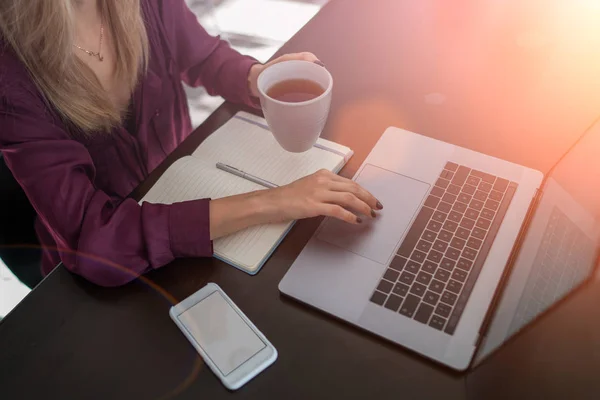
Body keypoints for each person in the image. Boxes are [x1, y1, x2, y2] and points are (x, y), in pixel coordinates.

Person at [0, 0, 382, 287]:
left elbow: (203, 57)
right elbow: (95, 241)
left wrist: (254, 77)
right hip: (103, 276)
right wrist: (276, 201)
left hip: (188, 196)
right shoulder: (10, 76)